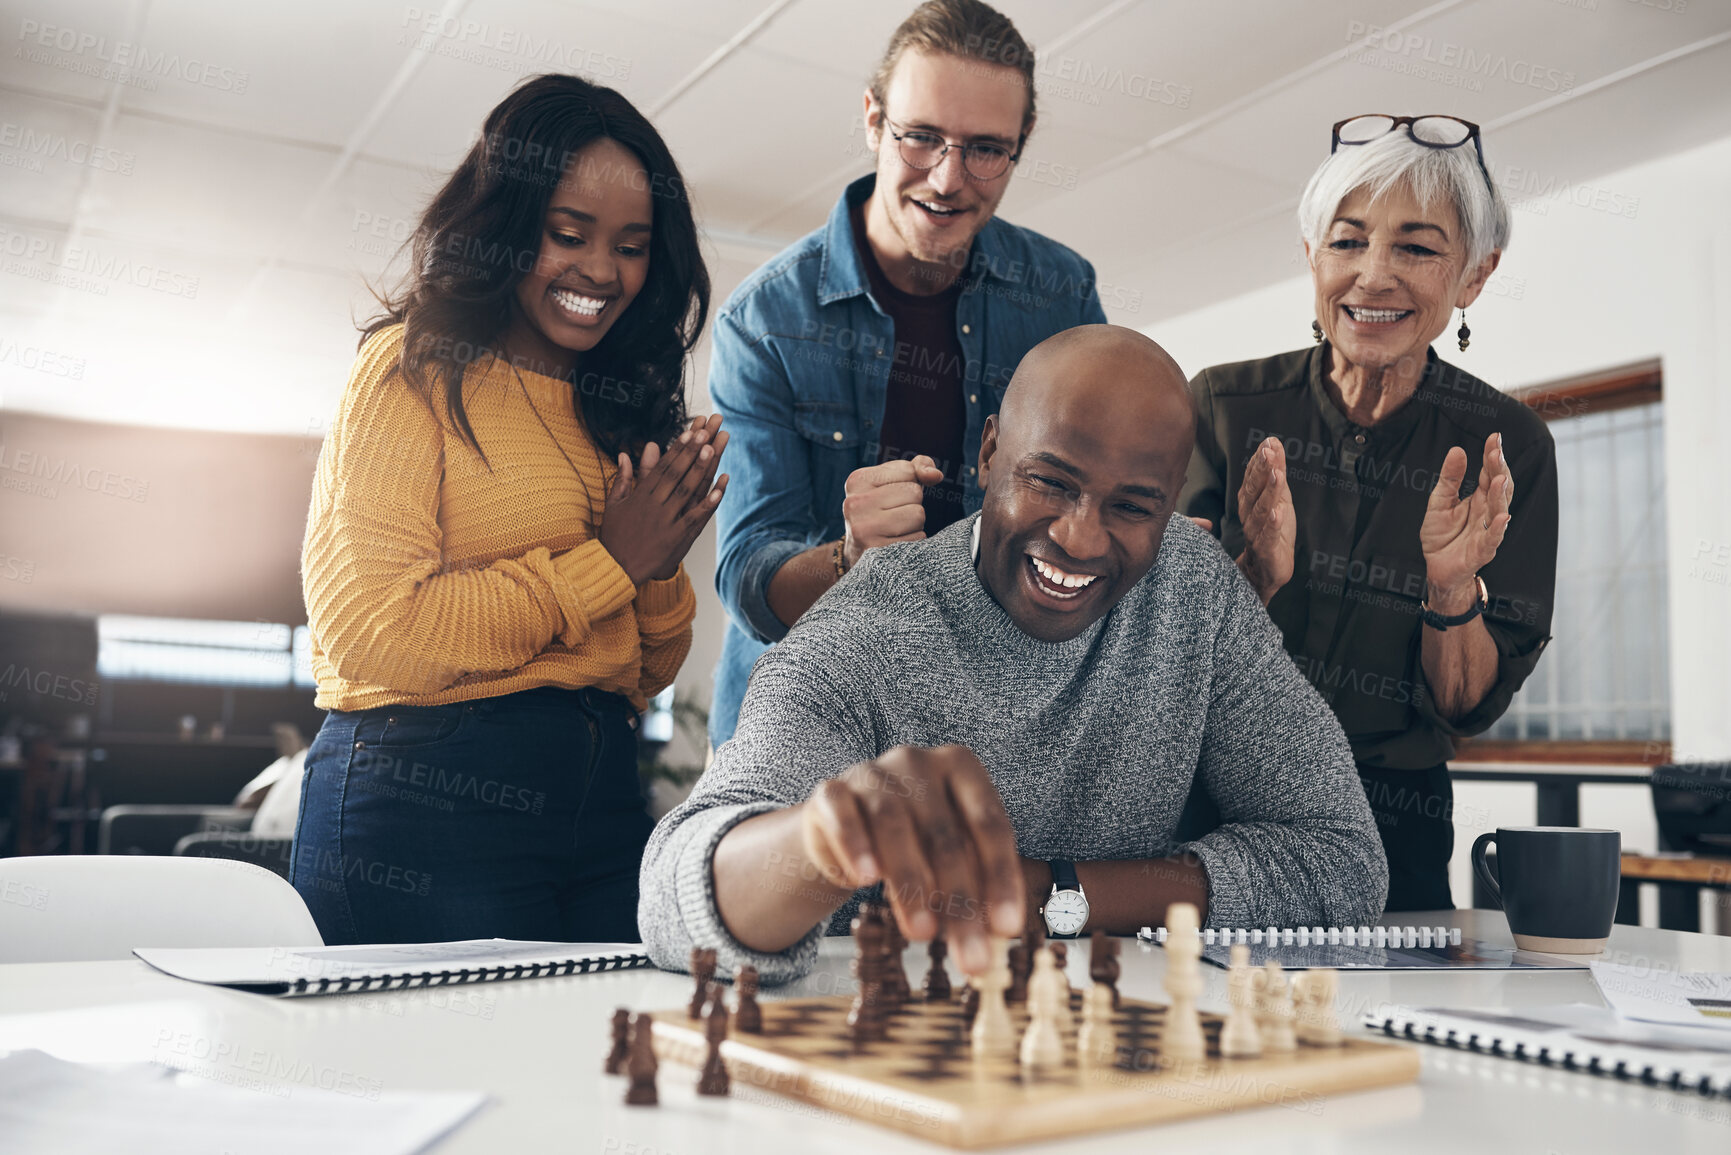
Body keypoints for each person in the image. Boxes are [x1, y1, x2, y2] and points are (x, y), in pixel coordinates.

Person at [640, 326, 1387, 983]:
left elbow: (1342, 858)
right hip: (895, 1054)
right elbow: (671, 895)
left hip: (1120, 1049)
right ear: (990, 449)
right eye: (1049, 482)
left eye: (1132, 506)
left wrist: (1048, 891)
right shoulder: (861, 632)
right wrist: (819, 843)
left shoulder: (1198, 595)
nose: (1080, 538)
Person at [291, 74, 725, 945]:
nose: (601, 272)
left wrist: (655, 561)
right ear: (504, 221)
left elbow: (642, 670)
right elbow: (375, 631)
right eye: (569, 234)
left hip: (603, 799)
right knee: (459, 1077)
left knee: (592, 1077)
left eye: (632, 246)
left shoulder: (620, 402)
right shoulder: (407, 367)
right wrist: (608, 561)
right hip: (427, 797)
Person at [1180, 115, 1559, 912]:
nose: (1373, 275)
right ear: (1310, 258)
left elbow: (1465, 707)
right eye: (1346, 242)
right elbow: (1160, 653)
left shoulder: (1506, 445)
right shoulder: (1221, 403)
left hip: (1394, 815)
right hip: (1213, 796)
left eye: (1417, 249)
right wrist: (1254, 576)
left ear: (1473, 278)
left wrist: (1451, 593)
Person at [707, 0, 1109, 749]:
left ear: (1019, 148)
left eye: (986, 149)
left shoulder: (1060, 293)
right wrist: (848, 556)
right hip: (808, 721)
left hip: (989, 720)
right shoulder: (762, 321)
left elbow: (1088, 490)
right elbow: (746, 579)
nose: (948, 179)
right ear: (872, 120)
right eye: (921, 136)